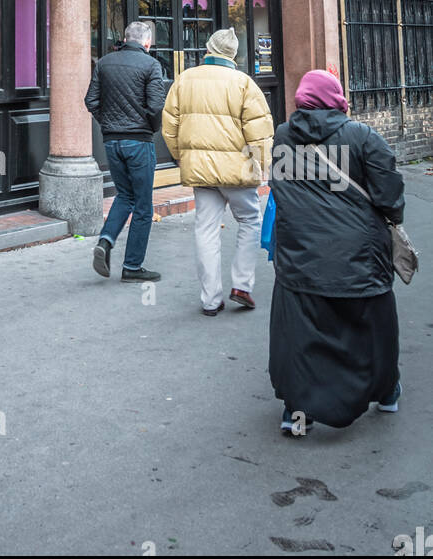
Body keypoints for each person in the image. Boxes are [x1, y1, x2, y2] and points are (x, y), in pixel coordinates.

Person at [268, 69, 404, 436]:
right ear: (336, 98)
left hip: (301, 259)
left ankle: (297, 411)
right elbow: (389, 195)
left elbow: (280, 189)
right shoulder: (362, 136)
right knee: (372, 328)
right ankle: (386, 391)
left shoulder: (283, 136)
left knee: (302, 334)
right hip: (359, 259)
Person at [161, 27, 273, 315]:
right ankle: (242, 285)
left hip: (202, 173)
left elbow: (169, 128)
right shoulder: (244, 84)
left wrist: (184, 158)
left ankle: (210, 298)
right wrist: (262, 166)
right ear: (233, 55)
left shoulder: (185, 80)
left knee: (205, 229)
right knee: (250, 220)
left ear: (208, 49)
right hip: (238, 172)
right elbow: (259, 133)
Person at [85, 20, 166, 282]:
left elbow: (91, 101)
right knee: (142, 205)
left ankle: (106, 241)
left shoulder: (105, 62)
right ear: (146, 43)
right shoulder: (151, 64)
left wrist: (108, 124)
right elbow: (155, 107)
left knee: (125, 196)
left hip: (112, 141)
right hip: (139, 142)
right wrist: (149, 128)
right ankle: (132, 266)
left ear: (125, 38)